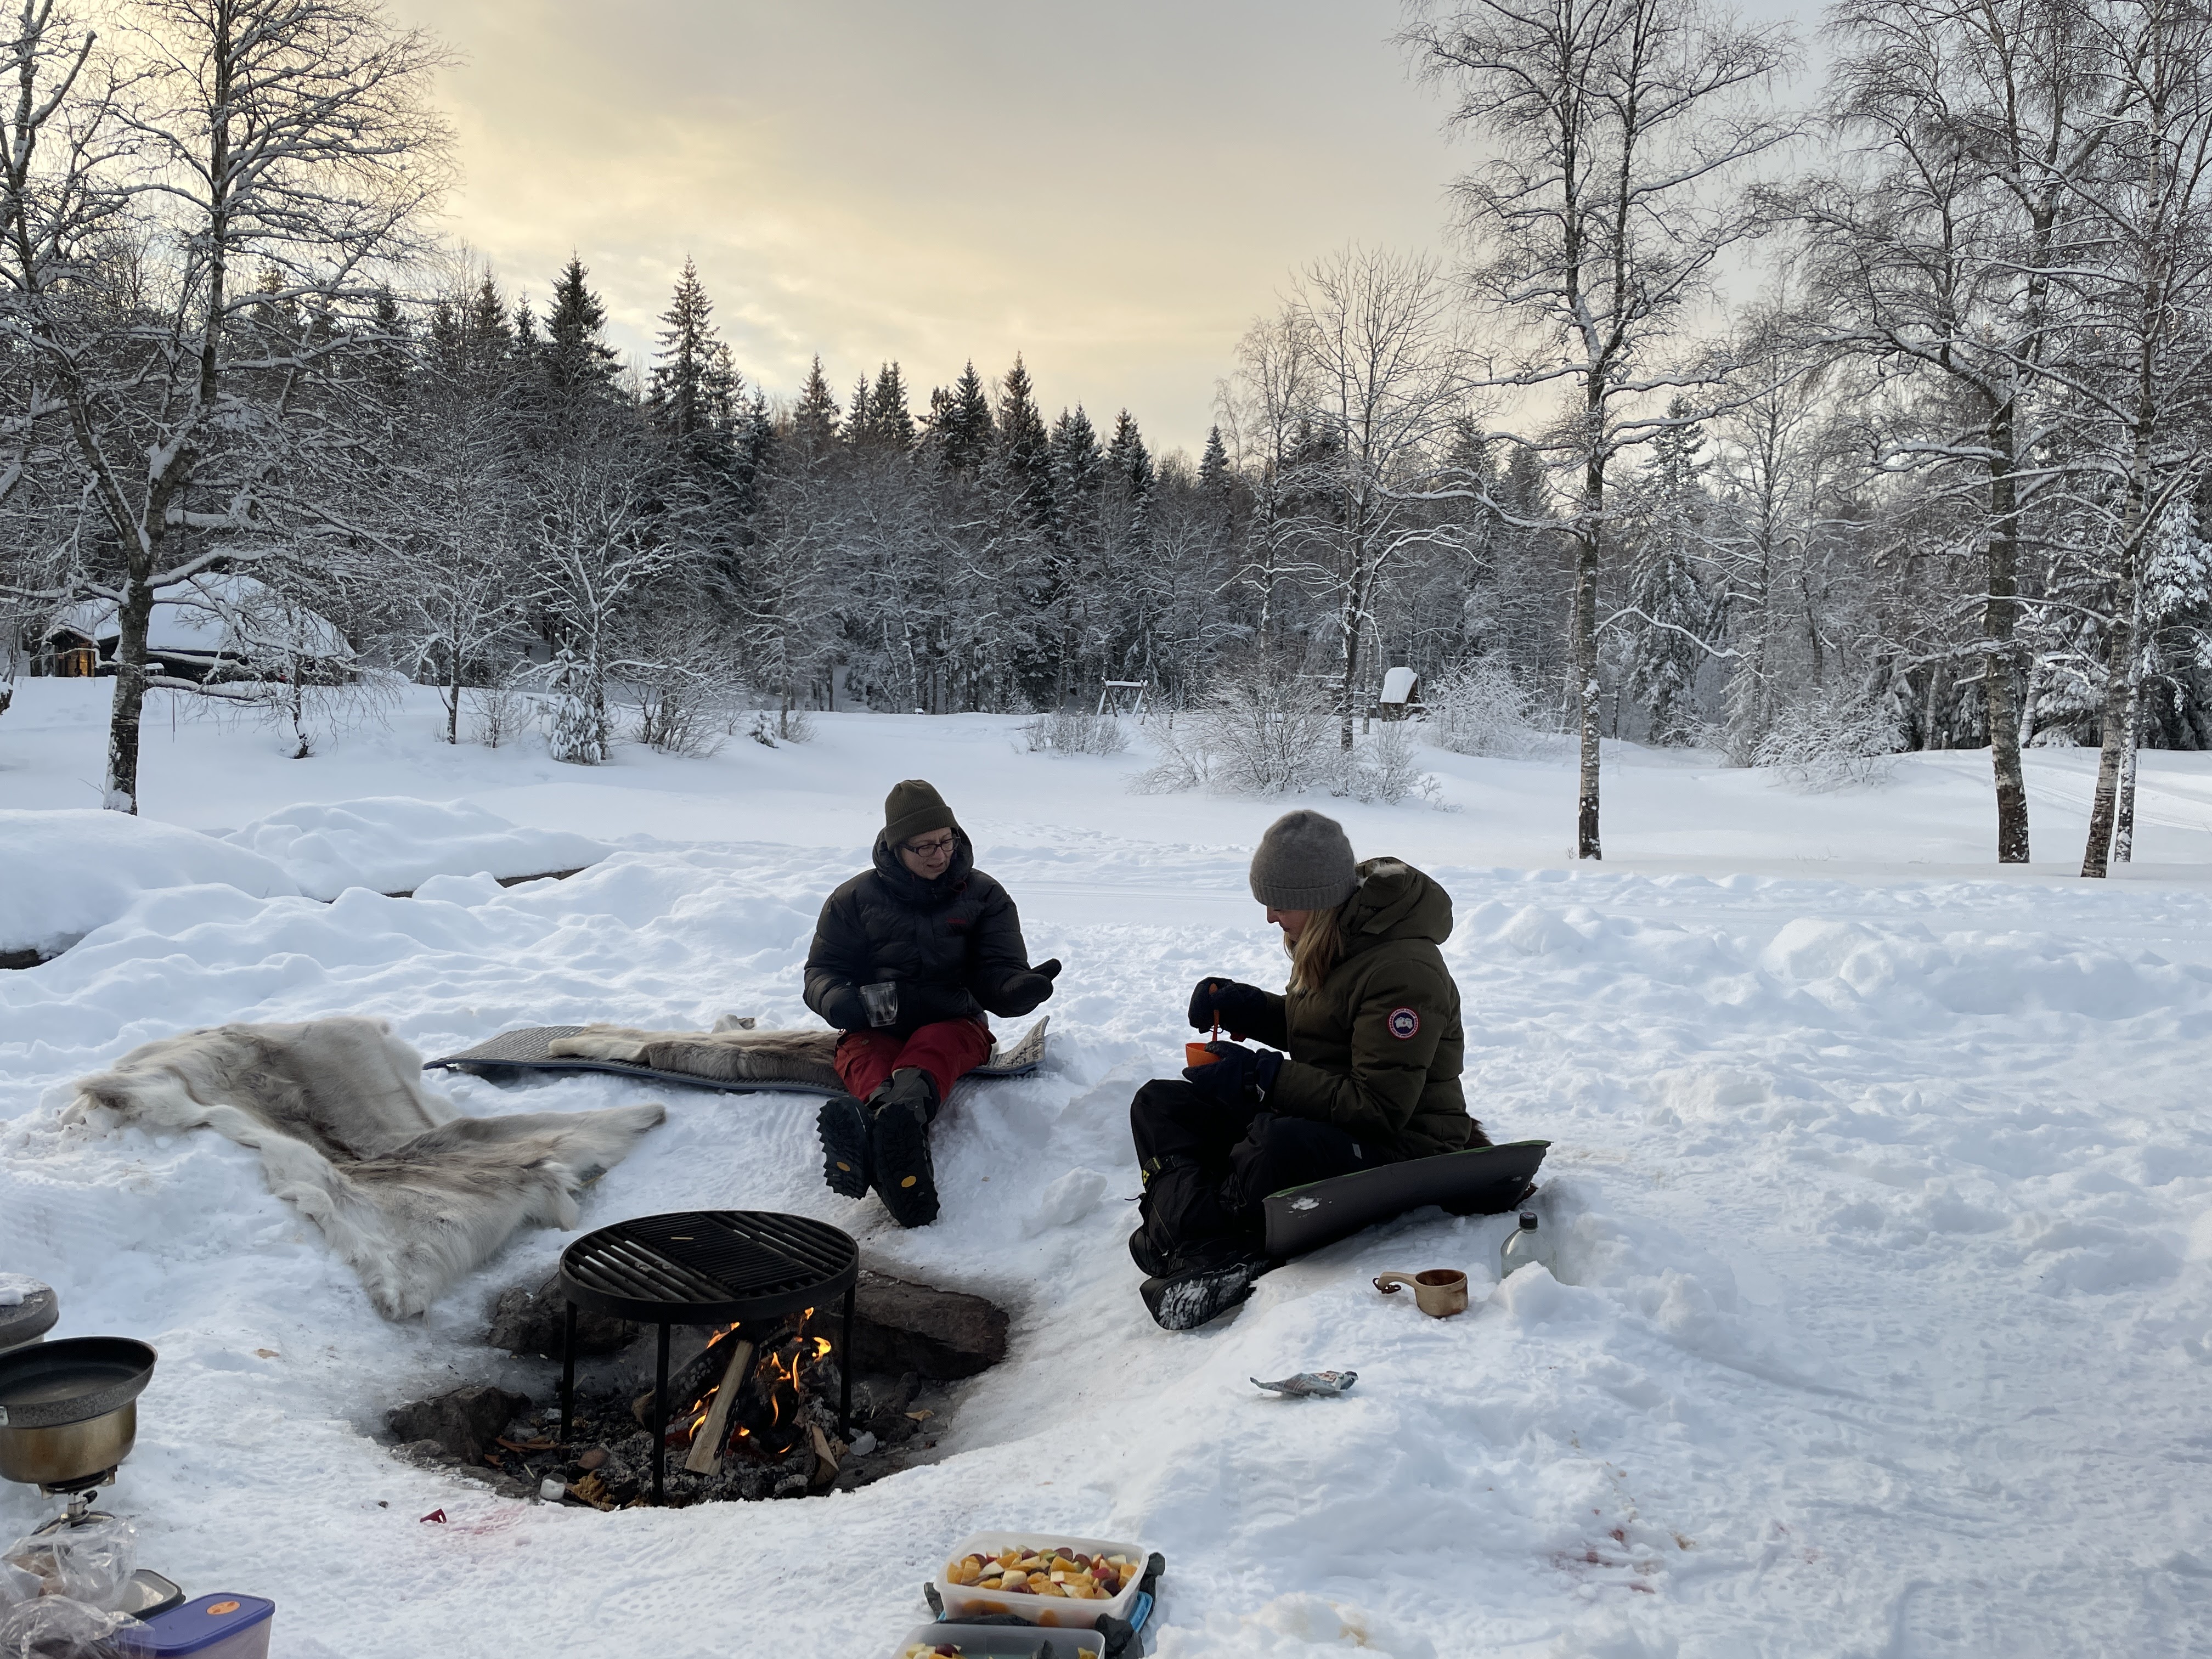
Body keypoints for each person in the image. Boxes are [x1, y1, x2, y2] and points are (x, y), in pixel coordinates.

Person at [1128, 808, 1487, 1329]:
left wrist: (1265, 1077)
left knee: (1274, 1143)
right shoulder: (1339, 938)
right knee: (1162, 1104)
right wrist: (1249, 1009)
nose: (1270, 917)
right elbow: (1329, 1033)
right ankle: (1194, 1237)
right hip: (1338, 1117)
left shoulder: (1403, 971)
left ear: (1317, 899)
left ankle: (1183, 1233)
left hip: (1407, 1140)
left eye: (1279, 903)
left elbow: (1380, 1107)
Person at [804, 778, 1060, 1226]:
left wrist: (1014, 991)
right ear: (895, 847)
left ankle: (891, 1126)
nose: (939, 855)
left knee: (934, 1045)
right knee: (865, 1055)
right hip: (875, 1023)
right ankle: (894, 1145)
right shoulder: (853, 899)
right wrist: (836, 999)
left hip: (955, 1021)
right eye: (924, 846)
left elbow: (998, 969)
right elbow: (822, 970)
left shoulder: (985, 895)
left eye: (946, 841)